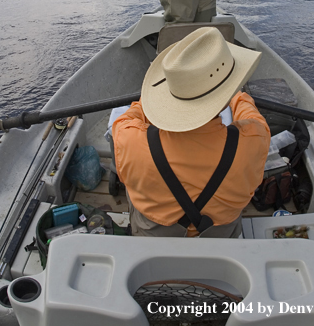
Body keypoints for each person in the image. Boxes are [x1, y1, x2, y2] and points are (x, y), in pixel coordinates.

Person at [113, 26, 271, 238]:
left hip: (153, 238)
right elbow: (251, 116)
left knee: (131, 184)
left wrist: (150, 102)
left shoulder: (127, 139)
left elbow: (127, 118)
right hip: (221, 236)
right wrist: (235, 95)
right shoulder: (255, 139)